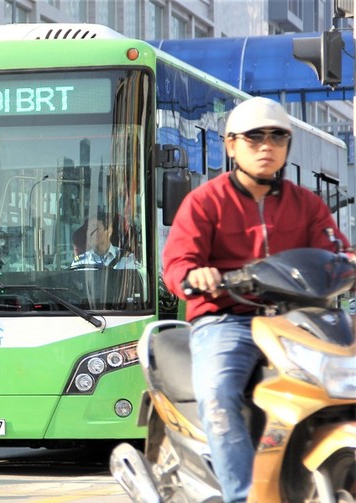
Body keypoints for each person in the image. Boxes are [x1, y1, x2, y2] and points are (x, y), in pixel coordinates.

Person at [162, 96, 350, 503]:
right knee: (219, 395)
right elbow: (177, 263)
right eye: (254, 137)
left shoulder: (308, 205)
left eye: (277, 136)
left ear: (287, 145)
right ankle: (242, 495)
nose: (266, 145)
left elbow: (338, 253)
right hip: (228, 319)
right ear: (231, 145)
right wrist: (196, 274)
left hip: (300, 321)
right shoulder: (204, 202)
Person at [70, 212, 137, 269]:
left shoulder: (126, 260)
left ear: (109, 231)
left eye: (94, 228)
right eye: (88, 229)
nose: (90, 233)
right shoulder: (80, 263)